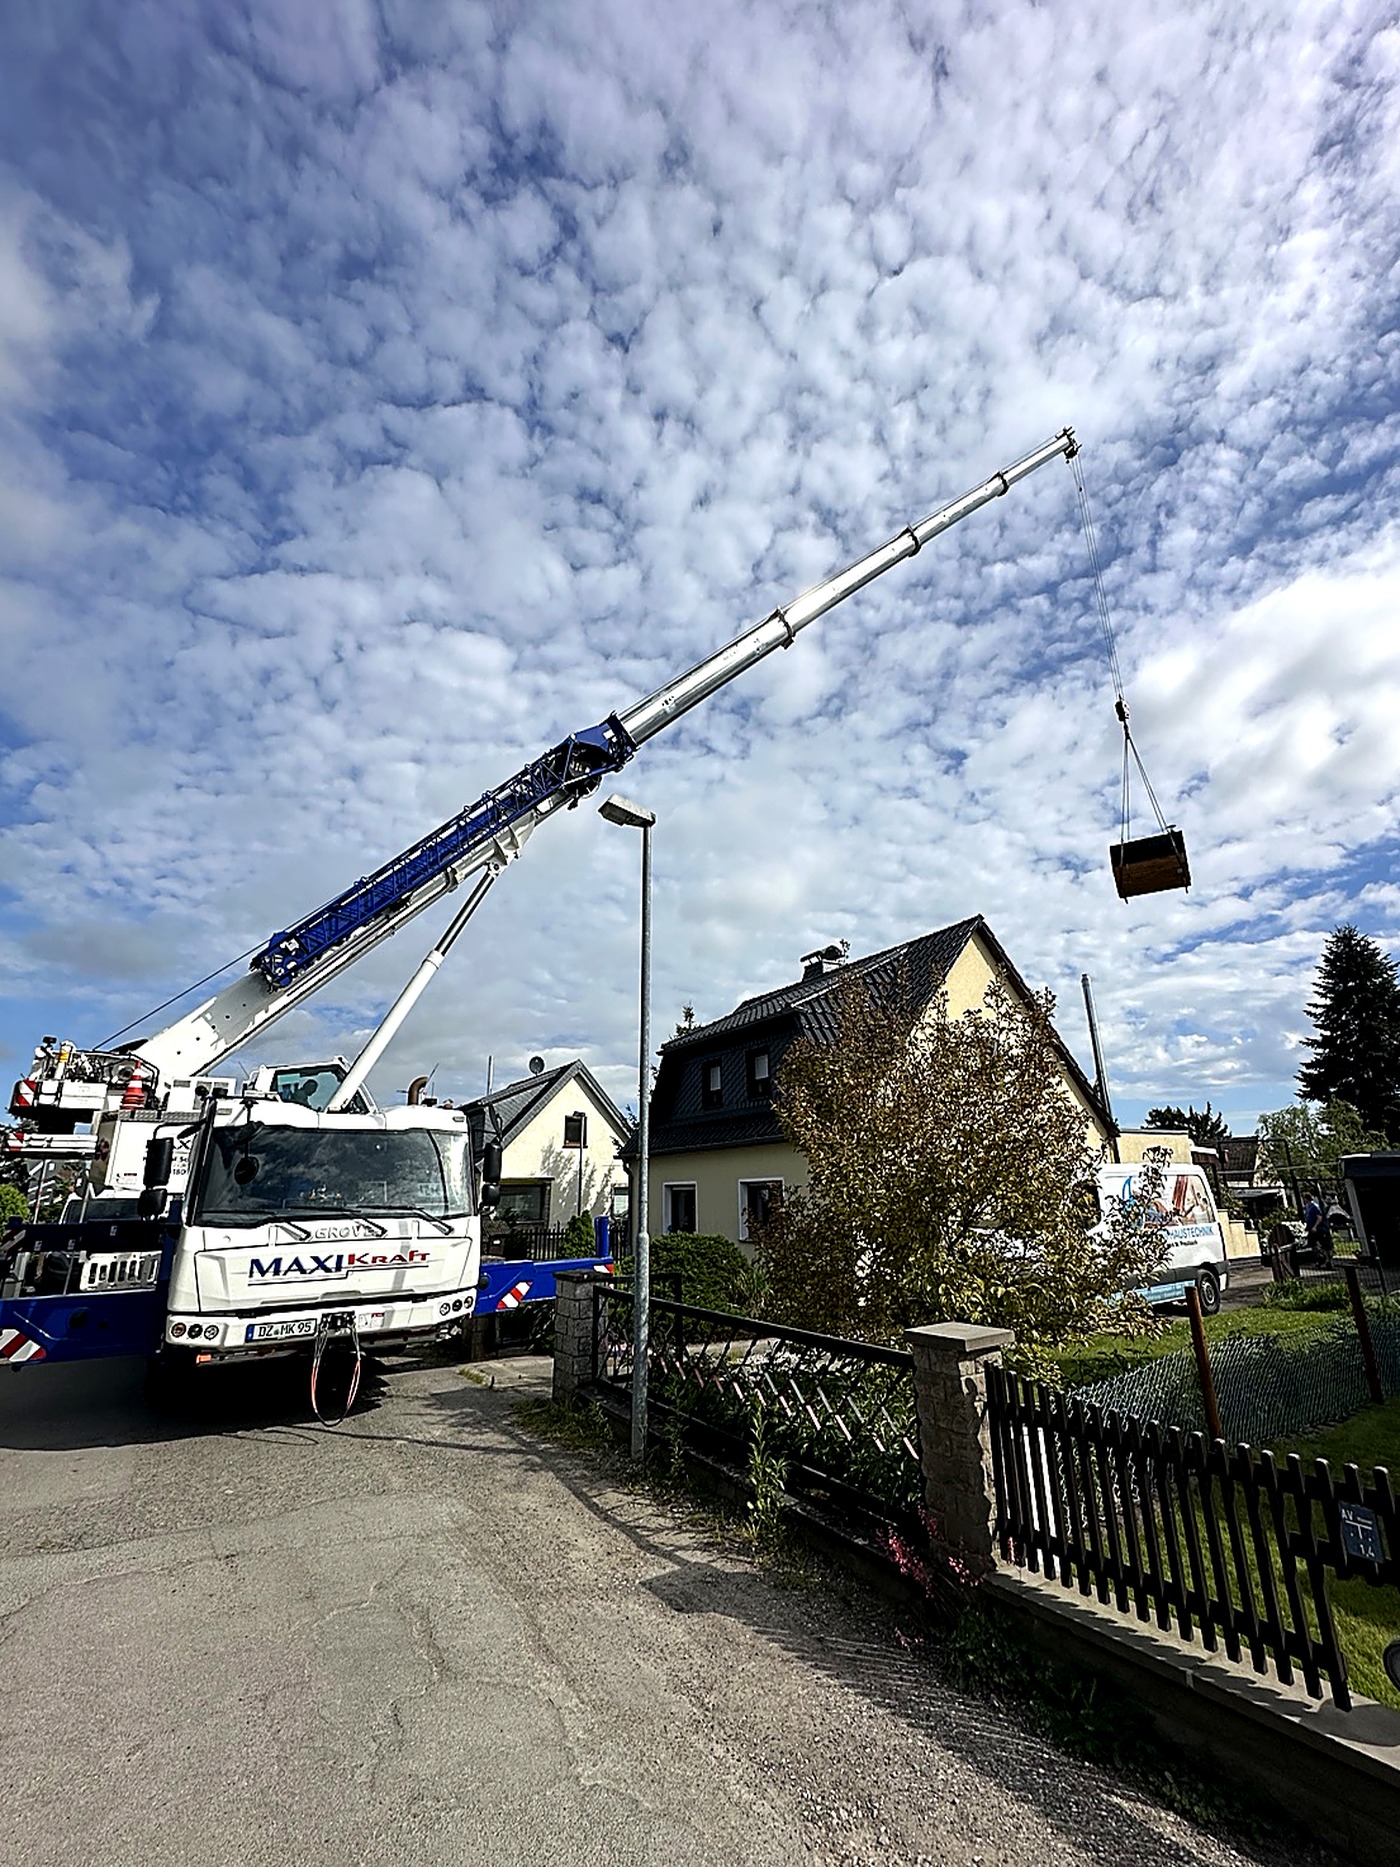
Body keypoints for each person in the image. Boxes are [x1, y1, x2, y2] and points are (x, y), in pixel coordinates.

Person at [1303, 1190, 1334, 1267]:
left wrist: (1315, 1226)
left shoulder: (1314, 1206)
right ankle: (1321, 1257)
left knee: (1324, 1245)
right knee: (1312, 1244)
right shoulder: (1308, 1207)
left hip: (1318, 1228)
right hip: (1311, 1228)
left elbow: (1319, 1217)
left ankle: (1327, 1260)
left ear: (1307, 1198)